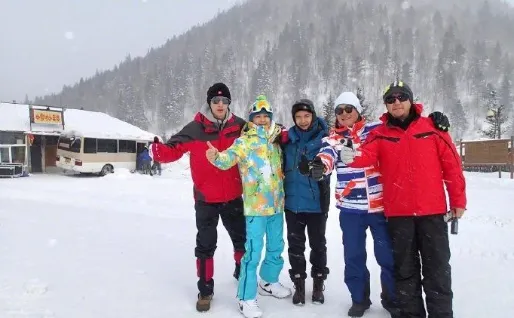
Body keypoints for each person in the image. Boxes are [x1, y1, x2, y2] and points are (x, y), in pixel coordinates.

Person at [339, 81, 466, 318]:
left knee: (437, 270)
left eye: (401, 97)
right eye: (390, 99)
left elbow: (452, 167)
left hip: (432, 212)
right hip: (399, 215)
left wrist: (457, 201)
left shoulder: (432, 127)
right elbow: (364, 156)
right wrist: (350, 156)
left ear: (410, 99)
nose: (396, 102)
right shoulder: (380, 133)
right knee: (405, 272)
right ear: (386, 105)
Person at [150, 83, 246, 312]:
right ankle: (205, 290)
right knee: (205, 246)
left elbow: (262, 137)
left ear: (229, 104)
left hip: (233, 195)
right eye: (216, 101)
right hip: (206, 199)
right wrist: (157, 151)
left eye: (224, 101)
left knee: (242, 241)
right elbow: (173, 149)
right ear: (209, 103)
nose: (220, 105)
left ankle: (242, 273)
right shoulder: (195, 128)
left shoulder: (240, 127)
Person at [206, 95, 291, 318]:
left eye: (266, 116)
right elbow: (227, 160)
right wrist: (215, 156)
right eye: (258, 116)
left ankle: (269, 281)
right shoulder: (244, 142)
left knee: (276, 247)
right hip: (255, 208)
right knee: (252, 253)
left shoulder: (275, 140)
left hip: (277, 206)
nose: (262, 120)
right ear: (252, 118)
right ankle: (246, 297)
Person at [281, 98, 331, 306]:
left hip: (316, 203)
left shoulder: (325, 139)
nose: (302, 120)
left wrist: (319, 168)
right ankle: (299, 284)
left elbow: (332, 160)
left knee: (318, 245)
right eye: (298, 117)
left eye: (306, 116)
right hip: (292, 204)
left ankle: (318, 282)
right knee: (295, 246)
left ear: (313, 116)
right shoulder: (286, 140)